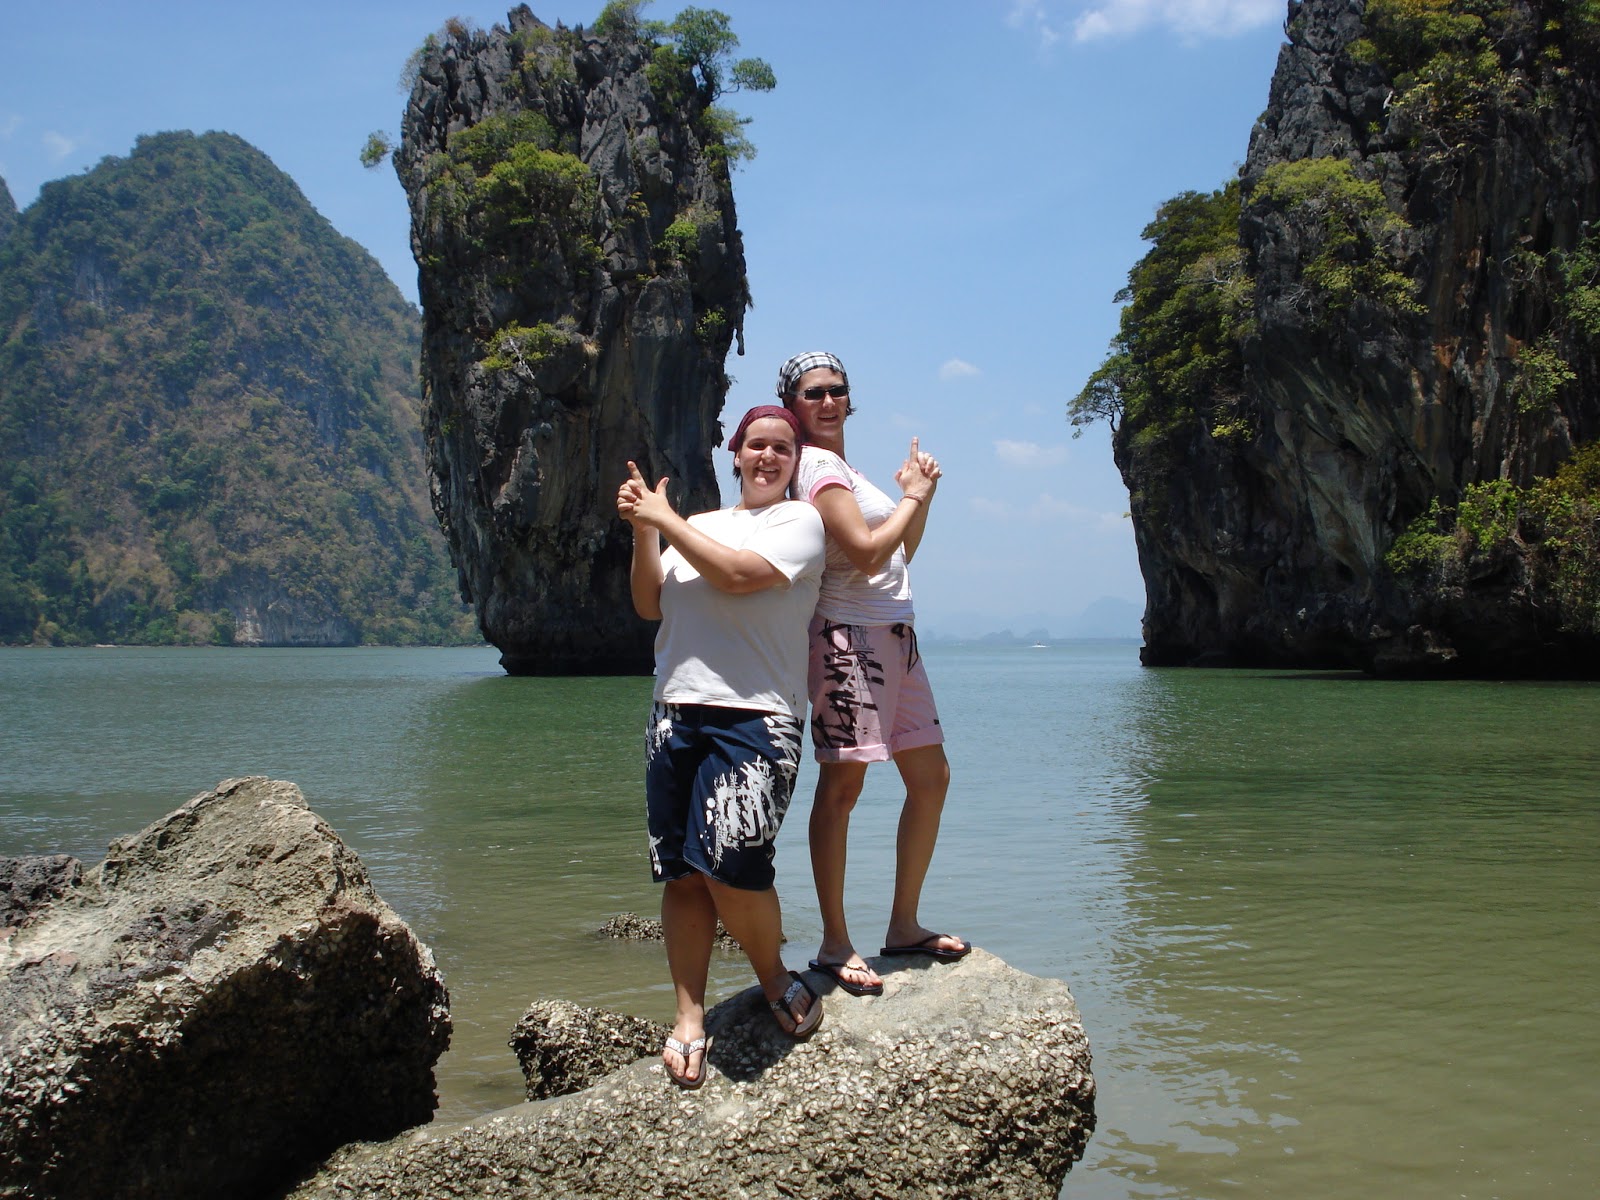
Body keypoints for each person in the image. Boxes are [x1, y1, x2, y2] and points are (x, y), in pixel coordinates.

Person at [616, 404, 827, 1089]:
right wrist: (646, 532)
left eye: (782, 448)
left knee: (735, 865)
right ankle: (688, 1014)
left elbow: (738, 576)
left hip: (758, 717)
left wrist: (666, 519)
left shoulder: (800, 523)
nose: (767, 456)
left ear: (794, 463)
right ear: (735, 454)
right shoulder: (699, 524)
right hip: (675, 711)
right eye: (756, 444)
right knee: (682, 872)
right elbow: (650, 604)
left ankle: (772, 976)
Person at [777, 350, 971, 1000]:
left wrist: (923, 498)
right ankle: (834, 942)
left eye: (836, 389)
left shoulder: (848, 471)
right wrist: (911, 495)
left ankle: (903, 925)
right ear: (794, 405)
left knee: (931, 777)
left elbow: (898, 553)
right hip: (846, 639)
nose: (828, 401)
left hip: (896, 635)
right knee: (841, 788)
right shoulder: (816, 468)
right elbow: (862, 554)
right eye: (813, 393)